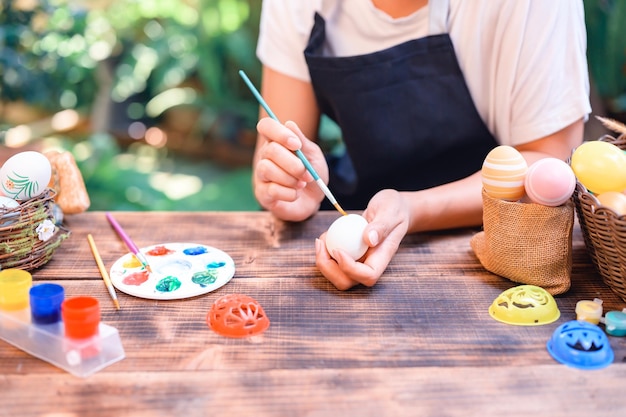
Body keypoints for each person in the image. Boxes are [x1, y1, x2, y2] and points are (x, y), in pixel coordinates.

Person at [251, 0, 591, 290]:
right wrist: (291, 184)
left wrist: (411, 209)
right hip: (359, 209)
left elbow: (549, 160)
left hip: (494, 246)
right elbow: (278, 145)